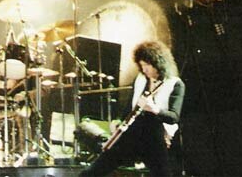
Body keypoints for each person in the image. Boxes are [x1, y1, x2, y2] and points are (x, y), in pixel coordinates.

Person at [79, 40, 185, 177]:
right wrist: (118, 121)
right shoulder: (140, 79)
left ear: (158, 63)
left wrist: (154, 109)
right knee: (95, 169)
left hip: (155, 135)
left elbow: (174, 117)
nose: (145, 69)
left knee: (162, 173)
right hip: (133, 131)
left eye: (147, 65)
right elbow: (130, 107)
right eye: (142, 65)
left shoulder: (175, 84)